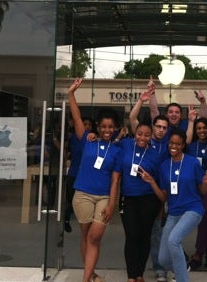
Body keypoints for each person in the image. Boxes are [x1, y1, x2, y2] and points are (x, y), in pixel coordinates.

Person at [140, 128, 207, 282]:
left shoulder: (192, 162)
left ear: (183, 145)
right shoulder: (164, 166)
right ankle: (182, 270)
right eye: (171, 143)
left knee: (173, 240)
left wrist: (205, 181)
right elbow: (164, 197)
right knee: (163, 259)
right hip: (174, 213)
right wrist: (151, 182)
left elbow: (202, 191)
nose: (173, 146)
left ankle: (182, 279)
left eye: (177, 144)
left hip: (193, 209)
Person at [68, 78, 123, 282]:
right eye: (104, 126)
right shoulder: (87, 140)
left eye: (111, 127)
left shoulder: (117, 150)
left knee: (95, 236)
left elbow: (115, 181)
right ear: (98, 127)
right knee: (85, 236)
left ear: (116, 127)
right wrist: (71, 94)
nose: (107, 130)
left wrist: (112, 205)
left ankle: (85, 279)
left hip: (103, 197)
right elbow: (77, 116)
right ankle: (90, 275)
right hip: (82, 194)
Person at [118, 120, 163, 282]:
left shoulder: (156, 155)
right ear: (134, 133)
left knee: (145, 236)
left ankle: (139, 274)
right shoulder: (125, 145)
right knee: (131, 236)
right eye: (139, 134)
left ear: (151, 137)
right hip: (128, 198)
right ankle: (131, 275)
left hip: (149, 200)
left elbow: (159, 182)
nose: (142, 137)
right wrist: (93, 137)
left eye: (146, 135)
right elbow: (111, 144)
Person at [186, 117, 207, 271]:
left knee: (203, 220)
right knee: (201, 221)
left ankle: (198, 254)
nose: (202, 131)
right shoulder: (191, 147)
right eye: (199, 128)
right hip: (194, 189)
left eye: (204, 128)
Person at [63, 116, 93, 233]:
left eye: (89, 125)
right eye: (85, 124)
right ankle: (66, 220)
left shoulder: (92, 140)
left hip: (85, 176)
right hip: (74, 174)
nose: (87, 127)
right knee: (70, 200)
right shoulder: (75, 137)